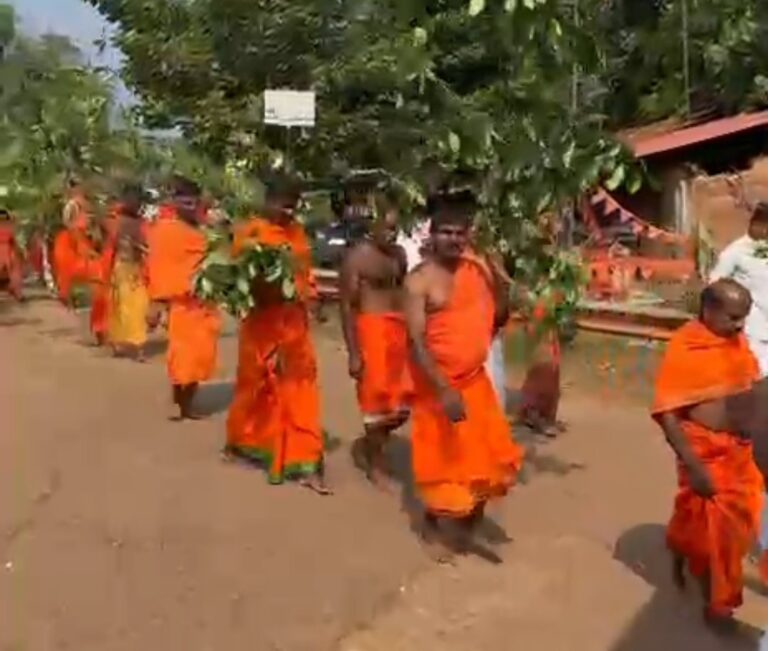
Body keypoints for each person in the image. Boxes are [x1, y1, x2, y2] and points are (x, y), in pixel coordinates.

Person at [404, 191, 523, 561]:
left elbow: (499, 316)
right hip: (438, 388)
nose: (454, 239)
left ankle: (466, 525)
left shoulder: (477, 269)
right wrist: (443, 389)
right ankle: (433, 523)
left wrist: (501, 277)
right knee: (445, 464)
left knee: (486, 460)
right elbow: (415, 341)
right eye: (446, 232)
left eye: (460, 233)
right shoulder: (418, 281)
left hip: (475, 381)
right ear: (432, 235)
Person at [652, 279, 762, 630]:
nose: (740, 326)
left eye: (743, 317)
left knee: (741, 523)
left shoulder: (736, 343)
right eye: (732, 317)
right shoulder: (686, 347)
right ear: (709, 310)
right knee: (721, 537)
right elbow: (667, 413)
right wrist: (694, 466)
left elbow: (751, 389)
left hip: (740, 454)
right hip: (704, 453)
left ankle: (682, 546)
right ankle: (720, 606)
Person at [224, 177, 330, 495]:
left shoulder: (297, 234)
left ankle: (307, 460)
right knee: (257, 386)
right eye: (281, 202)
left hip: (295, 326)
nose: (286, 209)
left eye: (292, 203)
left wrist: (311, 298)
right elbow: (238, 281)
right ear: (267, 200)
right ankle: (244, 441)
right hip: (261, 326)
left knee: (300, 387)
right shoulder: (250, 234)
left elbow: (304, 273)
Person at [709, 202, 768, 582]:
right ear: (756, 223)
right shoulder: (736, 252)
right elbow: (712, 292)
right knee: (753, 434)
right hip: (750, 348)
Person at [340, 191, 411, 490]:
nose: (391, 233)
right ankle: (374, 461)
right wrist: (354, 352)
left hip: (398, 330)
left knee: (402, 404)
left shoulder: (399, 256)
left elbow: (403, 293)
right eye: (387, 227)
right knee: (376, 402)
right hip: (371, 331)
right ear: (373, 225)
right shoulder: (357, 257)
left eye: (396, 228)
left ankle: (375, 447)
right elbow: (346, 305)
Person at [146, 177, 222, 420]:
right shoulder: (165, 230)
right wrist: (156, 304)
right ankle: (182, 403)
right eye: (184, 202)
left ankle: (188, 400)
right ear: (175, 203)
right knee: (182, 356)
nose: (190, 207)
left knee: (201, 356)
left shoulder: (206, 230)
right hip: (181, 304)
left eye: (193, 202)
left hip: (205, 302)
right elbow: (159, 267)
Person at [109, 186, 150, 361]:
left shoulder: (139, 222)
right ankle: (124, 344)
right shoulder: (119, 221)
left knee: (137, 306)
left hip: (135, 268)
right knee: (124, 306)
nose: (137, 205)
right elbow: (112, 243)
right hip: (123, 267)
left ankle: (134, 345)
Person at [52, 179, 94, 307]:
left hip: (83, 237)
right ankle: (69, 295)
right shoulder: (73, 204)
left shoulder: (83, 204)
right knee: (70, 267)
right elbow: (68, 222)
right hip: (73, 237)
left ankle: (78, 296)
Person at [0, 210, 24, 301]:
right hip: (5, 249)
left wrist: (18, 250)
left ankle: (17, 292)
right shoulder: (9, 227)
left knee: (15, 270)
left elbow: (14, 240)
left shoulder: (10, 227)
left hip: (8, 249)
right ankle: (15, 291)